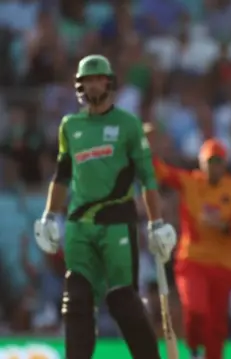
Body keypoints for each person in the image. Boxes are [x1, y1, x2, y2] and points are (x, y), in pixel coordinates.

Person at [33, 54, 177, 359]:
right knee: (77, 300)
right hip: (78, 226)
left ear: (109, 83)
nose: (93, 85)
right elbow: (61, 176)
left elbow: (147, 179)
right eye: (87, 80)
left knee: (123, 300)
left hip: (118, 223)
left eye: (98, 79)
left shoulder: (128, 125)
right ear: (79, 86)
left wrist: (157, 222)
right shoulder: (70, 126)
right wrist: (49, 215)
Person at [145, 128, 231, 359]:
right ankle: (192, 348)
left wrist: (223, 226)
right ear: (201, 162)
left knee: (217, 326)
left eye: (219, 161)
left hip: (223, 265)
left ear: (225, 163)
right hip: (192, 260)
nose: (214, 166)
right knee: (195, 309)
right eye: (210, 161)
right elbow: (158, 171)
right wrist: (147, 147)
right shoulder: (190, 182)